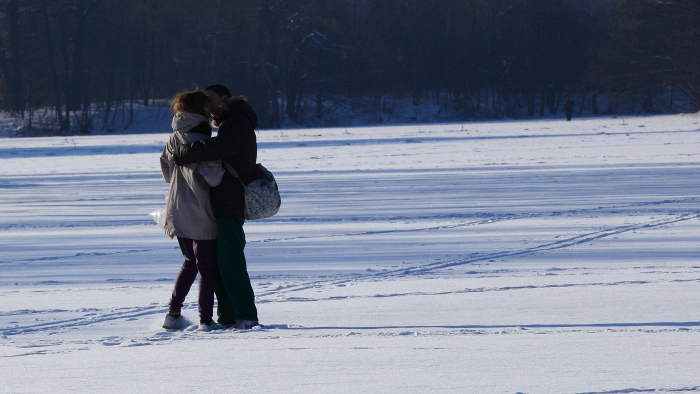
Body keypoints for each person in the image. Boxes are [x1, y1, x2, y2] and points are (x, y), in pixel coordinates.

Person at [172, 86, 260, 330]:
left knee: (230, 259)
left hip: (230, 200)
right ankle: (228, 316)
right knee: (221, 261)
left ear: (225, 97)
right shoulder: (229, 122)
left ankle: (246, 315)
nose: (209, 105)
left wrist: (181, 152)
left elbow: (217, 150)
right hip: (221, 200)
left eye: (212, 99)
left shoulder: (237, 121)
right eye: (206, 101)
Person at [160, 90, 224, 331]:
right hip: (200, 210)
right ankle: (206, 320)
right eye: (209, 106)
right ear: (200, 110)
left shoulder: (173, 137)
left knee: (190, 262)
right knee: (207, 267)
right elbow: (214, 178)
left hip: (176, 209)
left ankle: (173, 313)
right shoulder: (204, 141)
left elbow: (166, 172)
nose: (212, 110)